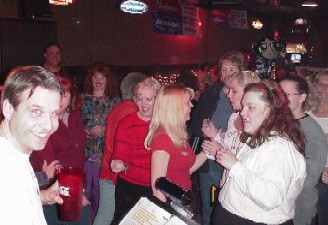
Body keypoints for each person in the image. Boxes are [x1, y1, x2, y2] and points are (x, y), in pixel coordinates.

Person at [212, 80, 306, 225]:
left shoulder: (280, 148)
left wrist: (235, 166)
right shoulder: (257, 137)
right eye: (243, 106)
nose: (242, 112)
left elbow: (270, 197)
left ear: (270, 111)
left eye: (251, 107)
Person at [189, 50, 248, 225]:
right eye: (224, 69)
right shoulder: (212, 91)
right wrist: (205, 128)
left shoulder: (244, 95)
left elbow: (245, 132)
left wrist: (221, 135)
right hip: (209, 157)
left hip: (235, 157)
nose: (227, 73)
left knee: (230, 208)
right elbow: (195, 124)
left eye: (232, 69)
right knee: (210, 204)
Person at [0, 66, 64, 224]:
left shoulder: (15, 152)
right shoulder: (6, 172)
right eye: (37, 111)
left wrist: (41, 196)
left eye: (54, 113)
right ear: (8, 109)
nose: (49, 125)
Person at [30, 72, 91, 225]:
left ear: (72, 96)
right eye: (55, 94)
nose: (59, 100)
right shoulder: (44, 123)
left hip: (78, 183)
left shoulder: (75, 114)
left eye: (64, 94)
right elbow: (51, 164)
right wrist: (74, 191)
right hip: (52, 190)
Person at [93, 72, 146, 225]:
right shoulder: (133, 113)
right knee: (115, 217)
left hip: (108, 171)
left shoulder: (118, 108)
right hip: (119, 175)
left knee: (105, 215)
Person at [145, 84, 213, 202]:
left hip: (182, 200)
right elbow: (158, 188)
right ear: (174, 107)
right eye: (187, 103)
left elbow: (187, 168)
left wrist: (207, 151)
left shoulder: (176, 133)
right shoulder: (163, 138)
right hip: (172, 205)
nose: (191, 105)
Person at [110, 77, 161, 222]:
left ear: (158, 99)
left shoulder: (163, 123)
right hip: (128, 185)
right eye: (139, 99)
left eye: (148, 99)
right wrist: (117, 161)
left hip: (154, 186)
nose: (143, 104)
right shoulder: (126, 122)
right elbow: (120, 150)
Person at [280, 75, 327, 225]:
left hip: (297, 210)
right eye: (279, 93)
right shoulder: (278, 123)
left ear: (302, 97)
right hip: (277, 207)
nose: (281, 98)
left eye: (287, 94)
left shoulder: (312, 132)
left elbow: (309, 179)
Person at [202, 71, 260, 187]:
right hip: (227, 186)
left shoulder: (257, 123)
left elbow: (246, 162)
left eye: (234, 91)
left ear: (248, 93)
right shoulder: (233, 117)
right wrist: (214, 137)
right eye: (229, 90)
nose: (228, 95)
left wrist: (219, 150)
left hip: (243, 190)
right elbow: (229, 149)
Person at [81, 61, 121, 222]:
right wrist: (82, 130)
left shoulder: (115, 101)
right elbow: (75, 121)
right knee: (84, 194)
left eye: (102, 76)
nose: (98, 79)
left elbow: (120, 124)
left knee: (102, 196)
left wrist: (105, 128)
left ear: (107, 79)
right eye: (95, 76)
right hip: (85, 155)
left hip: (106, 157)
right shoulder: (82, 99)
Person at [308, 71, 328, 225]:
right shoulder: (306, 114)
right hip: (305, 177)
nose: (324, 88)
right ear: (314, 87)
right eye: (321, 84)